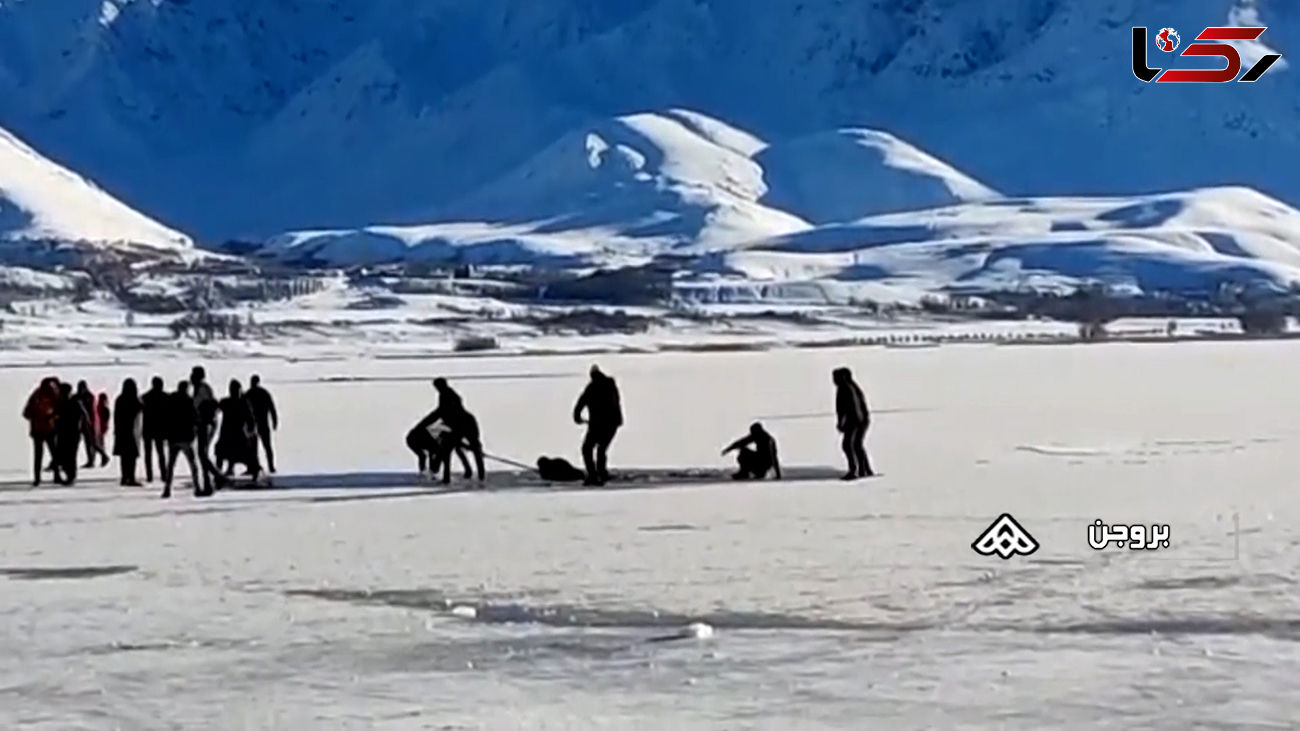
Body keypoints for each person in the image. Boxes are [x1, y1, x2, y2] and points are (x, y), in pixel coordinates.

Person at [422, 378, 485, 484]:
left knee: (449, 449)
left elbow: (441, 412)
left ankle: (449, 477)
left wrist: (425, 423)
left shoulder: (447, 395)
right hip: (462, 423)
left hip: (462, 423)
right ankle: (473, 472)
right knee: (460, 448)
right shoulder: (447, 394)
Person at [573, 365, 623, 486]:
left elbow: (581, 403)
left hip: (600, 424)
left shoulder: (593, 388)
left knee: (587, 449)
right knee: (601, 449)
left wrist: (577, 416)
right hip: (611, 424)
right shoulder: (610, 386)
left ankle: (593, 475)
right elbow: (581, 403)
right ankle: (600, 473)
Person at [163, 381, 206, 498]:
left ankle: (167, 488)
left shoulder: (170, 400)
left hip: (173, 436)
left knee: (171, 465)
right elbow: (195, 417)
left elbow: (166, 416)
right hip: (186, 436)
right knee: (193, 464)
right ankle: (197, 488)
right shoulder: (188, 401)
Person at [214, 379, 261, 481]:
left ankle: (254, 471)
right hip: (228, 432)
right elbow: (215, 409)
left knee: (243, 454)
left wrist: (252, 430)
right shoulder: (227, 402)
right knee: (222, 452)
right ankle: (220, 471)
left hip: (238, 432)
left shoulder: (242, 403)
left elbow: (250, 418)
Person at [833, 366, 873, 479]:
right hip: (860, 420)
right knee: (856, 445)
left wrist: (844, 422)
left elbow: (851, 408)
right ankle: (865, 469)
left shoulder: (846, 388)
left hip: (855, 420)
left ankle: (854, 470)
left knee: (848, 445)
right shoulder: (850, 387)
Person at [22, 377, 61, 486]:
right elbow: (26, 413)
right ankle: (53, 476)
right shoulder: (49, 395)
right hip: (44, 429)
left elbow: (26, 413)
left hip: (42, 429)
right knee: (52, 454)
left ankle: (39, 478)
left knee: (43, 455)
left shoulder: (39, 395)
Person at [190, 366, 218, 493]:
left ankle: (213, 479)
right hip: (202, 424)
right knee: (202, 454)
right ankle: (210, 479)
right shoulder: (197, 389)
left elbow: (202, 406)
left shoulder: (203, 389)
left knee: (202, 453)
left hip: (206, 424)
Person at [55, 382, 89, 485]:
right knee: (64, 456)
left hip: (72, 433)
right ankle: (69, 475)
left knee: (70, 456)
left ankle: (71, 476)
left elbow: (84, 416)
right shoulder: (61, 402)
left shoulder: (74, 402)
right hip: (63, 433)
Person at [245, 374, 279, 473]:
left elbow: (271, 407)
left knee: (259, 447)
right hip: (258, 424)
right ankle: (264, 467)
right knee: (261, 447)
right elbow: (272, 407)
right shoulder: (262, 393)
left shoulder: (250, 393)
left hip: (256, 424)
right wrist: (274, 420)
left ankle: (264, 466)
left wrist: (274, 420)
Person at [113, 379, 143, 486]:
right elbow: (140, 408)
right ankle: (131, 477)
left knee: (124, 457)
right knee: (132, 456)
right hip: (131, 431)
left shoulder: (119, 399)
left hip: (121, 431)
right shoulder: (133, 400)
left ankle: (124, 477)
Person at [140, 376, 170, 483]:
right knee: (160, 453)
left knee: (148, 454)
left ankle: (149, 475)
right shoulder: (166, 397)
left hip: (148, 428)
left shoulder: (145, 397)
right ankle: (163, 474)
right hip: (160, 429)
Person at [75, 380, 107, 467]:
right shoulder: (78, 397)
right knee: (88, 443)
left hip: (89, 422)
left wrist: (91, 422)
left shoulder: (89, 397)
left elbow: (91, 411)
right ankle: (92, 459)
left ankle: (100, 457)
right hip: (81, 422)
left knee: (91, 442)